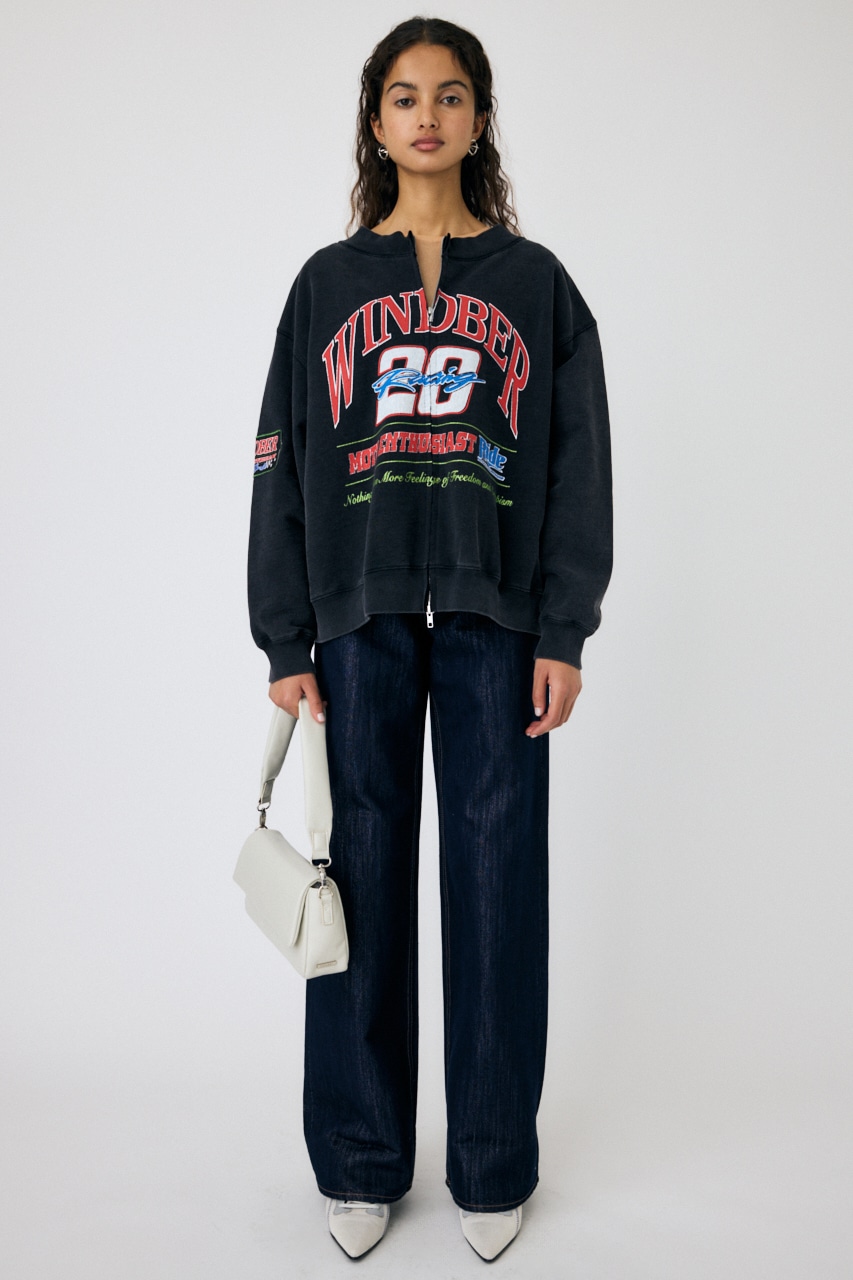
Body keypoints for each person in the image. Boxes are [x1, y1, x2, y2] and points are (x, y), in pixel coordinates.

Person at [247, 15, 612, 1262]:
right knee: (358, 885)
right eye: (404, 96)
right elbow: (280, 456)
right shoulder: (325, 284)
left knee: (498, 887)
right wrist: (284, 634)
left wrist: (563, 625)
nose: (426, 116)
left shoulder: (536, 283)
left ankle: (493, 1158)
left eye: (450, 96)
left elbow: (578, 467)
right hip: (355, 622)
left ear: (479, 118)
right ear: (375, 120)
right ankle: (360, 1157)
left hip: (497, 619)